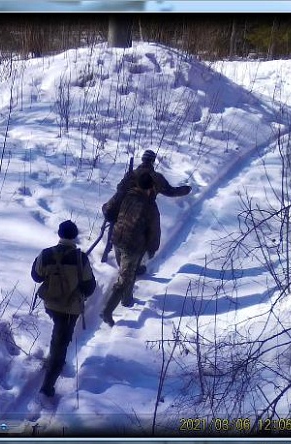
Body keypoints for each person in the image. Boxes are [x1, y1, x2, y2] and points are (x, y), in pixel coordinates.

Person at [100, 149, 192, 326]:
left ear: (143, 159)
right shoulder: (154, 184)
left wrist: (114, 214)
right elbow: (155, 227)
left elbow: (111, 203)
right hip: (133, 242)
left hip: (118, 234)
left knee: (126, 267)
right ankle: (112, 307)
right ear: (153, 161)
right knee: (127, 274)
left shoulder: (129, 178)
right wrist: (152, 249)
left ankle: (127, 294)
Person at [31, 220, 96, 397]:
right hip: (71, 308)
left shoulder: (46, 254)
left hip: (51, 304)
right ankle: (48, 385)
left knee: (59, 333)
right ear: (74, 236)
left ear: (59, 234)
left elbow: (36, 276)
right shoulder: (80, 257)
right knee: (62, 341)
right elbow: (90, 286)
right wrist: (79, 293)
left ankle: (54, 357)